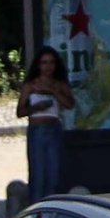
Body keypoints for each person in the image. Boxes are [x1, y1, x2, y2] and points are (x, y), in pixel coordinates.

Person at [16, 48, 77, 200]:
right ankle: (37, 211)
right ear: (38, 65)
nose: (48, 67)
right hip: (37, 129)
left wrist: (53, 92)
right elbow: (20, 111)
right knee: (38, 173)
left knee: (54, 173)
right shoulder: (30, 85)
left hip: (54, 128)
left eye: (51, 62)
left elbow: (70, 104)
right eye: (44, 63)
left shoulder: (60, 85)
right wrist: (36, 107)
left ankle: (52, 209)